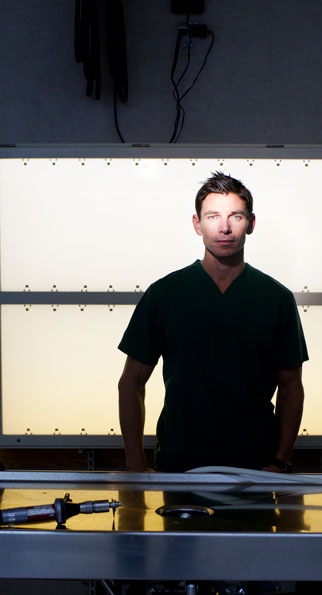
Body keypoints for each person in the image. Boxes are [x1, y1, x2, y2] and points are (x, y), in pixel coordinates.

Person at [117, 171, 308, 472]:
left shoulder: (277, 299)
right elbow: (131, 381)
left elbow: (291, 387)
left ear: (251, 224)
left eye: (235, 217)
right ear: (197, 224)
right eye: (212, 217)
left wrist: (280, 461)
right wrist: (135, 465)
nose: (224, 228)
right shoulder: (165, 294)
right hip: (179, 466)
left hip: (254, 469)